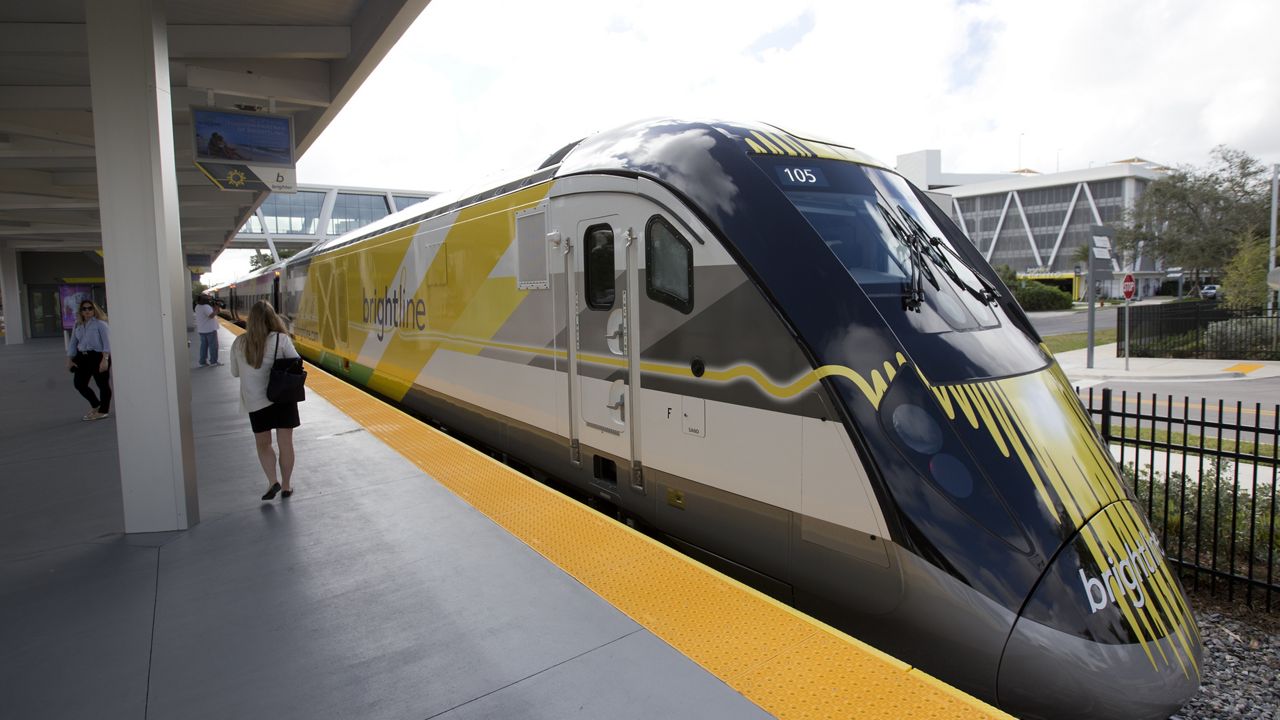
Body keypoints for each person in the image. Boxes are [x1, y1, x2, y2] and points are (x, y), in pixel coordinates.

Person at [229, 301, 301, 500]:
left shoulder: (239, 343)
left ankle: (272, 481)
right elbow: (297, 363)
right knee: (285, 443)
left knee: (263, 443)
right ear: (273, 318)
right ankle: (286, 486)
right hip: (282, 399)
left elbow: (235, 373)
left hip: (255, 401)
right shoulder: (281, 340)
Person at [65, 300, 112, 421]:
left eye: (90, 308)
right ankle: (96, 405)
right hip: (82, 357)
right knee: (79, 384)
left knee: (102, 385)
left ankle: (103, 411)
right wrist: (70, 359)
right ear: (80, 311)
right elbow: (73, 343)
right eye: (84, 309)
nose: (87, 311)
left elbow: (108, 343)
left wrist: (105, 359)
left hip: (98, 356)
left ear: (94, 309)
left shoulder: (101, 324)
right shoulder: (78, 324)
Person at [194, 295, 221, 366]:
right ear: (204, 300)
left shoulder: (197, 306)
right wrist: (216, 308)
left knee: (203, 347)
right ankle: (213, 362)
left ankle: (202, 362)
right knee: (213, 347)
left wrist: (214, 308)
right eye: (208, 299)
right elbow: (211, 315)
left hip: (202, 330)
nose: (209, 301)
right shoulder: (206, 307)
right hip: (210, 330)